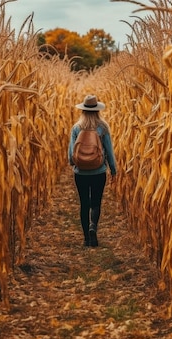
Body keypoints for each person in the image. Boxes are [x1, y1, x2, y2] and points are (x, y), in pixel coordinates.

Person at [68, 95, 117, 247]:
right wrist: (113, 170)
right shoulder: (103, 127)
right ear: (97, 110)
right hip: (98, 171)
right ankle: (93, 227)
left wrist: (74, 164)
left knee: (84, 203)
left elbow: (71, 153)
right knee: (96, 202)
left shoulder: (77, 128)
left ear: (83, 110)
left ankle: (86, 239)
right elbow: (109, 151)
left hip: (81, 173)